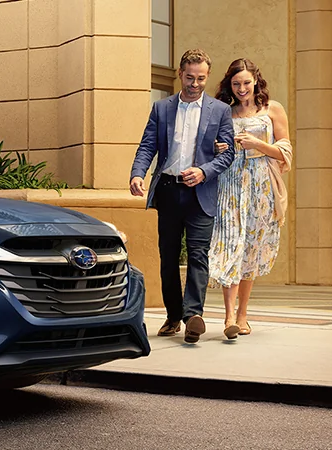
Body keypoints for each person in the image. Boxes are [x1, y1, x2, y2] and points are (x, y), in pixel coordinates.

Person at [129, 49, 237, 344]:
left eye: (201, 78)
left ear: (207, 76)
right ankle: (173, 315)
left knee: (198, 255)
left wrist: (204, 172)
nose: (195, 83)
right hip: (168, 189)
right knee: (168, 256)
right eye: (190, 77)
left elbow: (228, 155)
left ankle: (193, 317)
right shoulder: (161, 108)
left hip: (200, 192)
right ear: (180, 74)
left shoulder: (220, 110)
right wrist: (137, 173)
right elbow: (147, 146)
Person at [207, 58, 293, 340]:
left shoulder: (273, 110)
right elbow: (209, 149)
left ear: (256, 80)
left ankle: (243, 313)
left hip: (260, 184)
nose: (242, 88)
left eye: (246, 82)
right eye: (236, 84)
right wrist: (221, 147)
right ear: (229, 85)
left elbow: (286, 151)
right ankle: (229, 315)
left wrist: (258, 145)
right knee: (230, 243)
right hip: (229, 184)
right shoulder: (223, 111)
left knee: (250, 249)